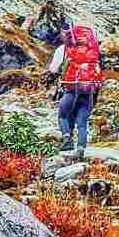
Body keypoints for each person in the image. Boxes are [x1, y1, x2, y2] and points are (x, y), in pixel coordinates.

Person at [49, 23, 104, 160]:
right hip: (89, 90)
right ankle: (81, 148)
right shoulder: (93, 50)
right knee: (82, 123)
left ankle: (67, 138)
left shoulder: (65, 49)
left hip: (71, 88)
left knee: (62, 115)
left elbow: (53, 69)